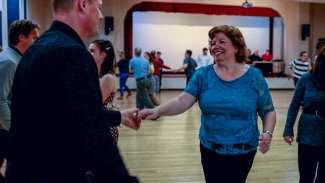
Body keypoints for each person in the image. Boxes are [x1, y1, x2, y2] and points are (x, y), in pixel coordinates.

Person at [5, 0, 140, 183]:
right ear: (83, 4)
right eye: (99, 7)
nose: (101, 15)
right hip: (58, 173)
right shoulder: (70, 53)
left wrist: (120, 116)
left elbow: (67, 113)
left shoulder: (38, 49)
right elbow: (95, 136)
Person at [140, 25, 276, 183]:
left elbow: (268, 110)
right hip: (211, 147)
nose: (215, 46)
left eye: (221, 42)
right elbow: (182, 101)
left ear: (236, 47)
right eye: (213, 43)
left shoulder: (254, 76)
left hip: (244, 148)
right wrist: (157, 111)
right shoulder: (203, 75)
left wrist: (268, 132)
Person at [0, 19, 40, 182]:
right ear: (21, 37)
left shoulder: (17, 58)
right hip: (4, 131)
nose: (37, 42)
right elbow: (0, 101)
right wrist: (16, 131)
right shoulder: (8, 61)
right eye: (34, 37)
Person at [283, 46, 325, 183]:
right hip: (308, 130)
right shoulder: (306, 79)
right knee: (306, 176)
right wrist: (288, 129)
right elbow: (295, 105)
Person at [89, 39, 120, 143]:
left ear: (103, 55)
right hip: (96, 122)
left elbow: (95, 102)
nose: (88, 53)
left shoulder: (108, 77)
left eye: (92, 51)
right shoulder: (94, 74)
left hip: (105, 126)